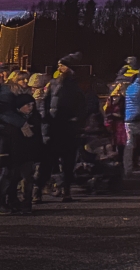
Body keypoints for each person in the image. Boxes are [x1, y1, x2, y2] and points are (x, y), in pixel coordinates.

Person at [38, 55, 86, 202]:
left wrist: (77, 121)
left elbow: (83, 107)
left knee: (68, 163)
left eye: (62, 66)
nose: (59, 68)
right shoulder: (53, 84)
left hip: (68, 129)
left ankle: (66, 190)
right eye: (59, 65)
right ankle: (37, 190)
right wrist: (45, 121)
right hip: (54, 127)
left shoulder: (78, 86)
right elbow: (44, 104)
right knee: (47, 162)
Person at [0, 71, 41, 214]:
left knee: (14, 173)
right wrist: (22, 123)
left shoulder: (20, 94)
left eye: (26, 79)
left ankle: (12, 201)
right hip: (8, 136)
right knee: (8, 172)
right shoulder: (8, 92)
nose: (24, 82)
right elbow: (4, 112)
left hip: (15, 138)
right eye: (20, 79)